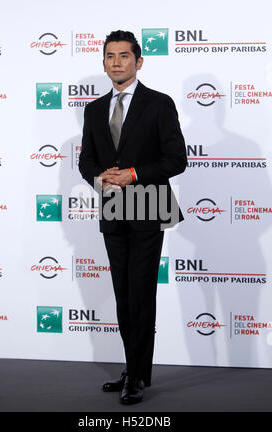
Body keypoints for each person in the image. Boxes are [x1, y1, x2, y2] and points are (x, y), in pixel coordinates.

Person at [79, 30, 187, 405]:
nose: (116, 63)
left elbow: (177, 160)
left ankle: (139, 376)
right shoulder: (93, 110)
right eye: (110, 56)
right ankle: (132, 368)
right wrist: (100, 177)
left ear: (138, 62)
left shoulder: (159, 104)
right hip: (112, 209)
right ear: (104, 62)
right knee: (123, 295)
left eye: (124, 56)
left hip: (147, 206)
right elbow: (86, 161)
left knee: (141, 293)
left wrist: (134, 174)